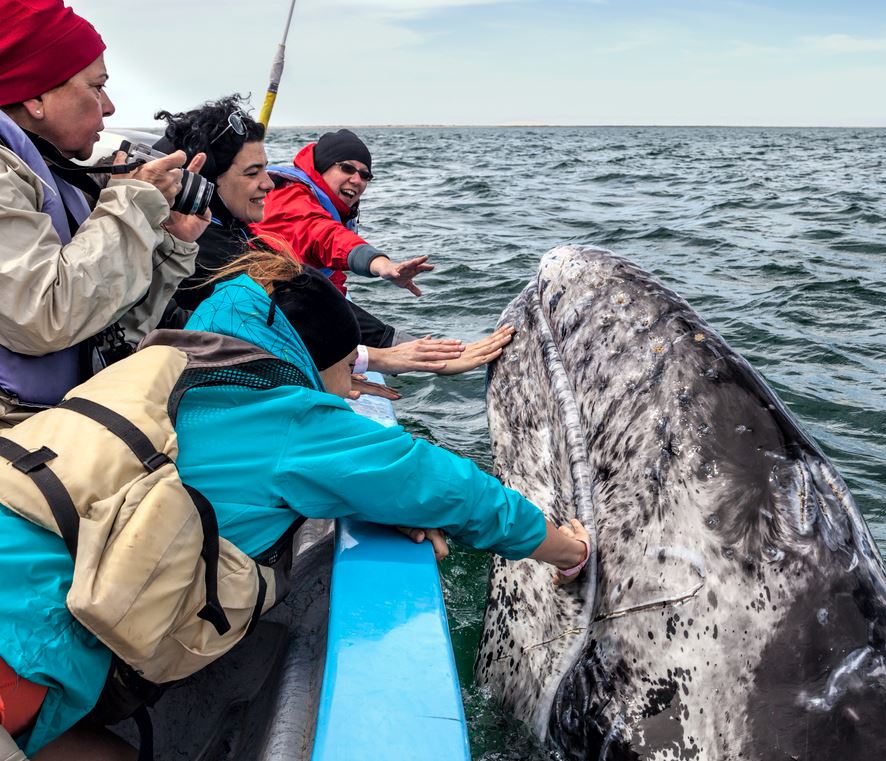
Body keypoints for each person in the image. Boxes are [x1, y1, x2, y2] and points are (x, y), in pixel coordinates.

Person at [0, 246, 590, 760]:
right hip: (25, 654)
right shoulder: (290, 421)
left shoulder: (157, 370)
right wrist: (568, 548)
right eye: (344, 368)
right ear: (311, 362)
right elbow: (456, 490)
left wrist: (368, 495)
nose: (349, 385)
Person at [158, 98, 513, 377]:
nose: (268, 183)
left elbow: (302, 289)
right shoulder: (214, 242)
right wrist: (381, 356)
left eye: (365, 175)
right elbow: (293, 280)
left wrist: (387, 347)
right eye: (253, 172)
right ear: (198, 182)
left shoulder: (229, 227)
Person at [0, 0, 210, 429]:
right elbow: (42, 320)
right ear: (36, 96)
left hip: (60, 420)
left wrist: (169, 245)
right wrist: (132, 202)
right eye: (96, 88)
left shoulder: (58, 176)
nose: (110, 106)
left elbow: (105, 331)